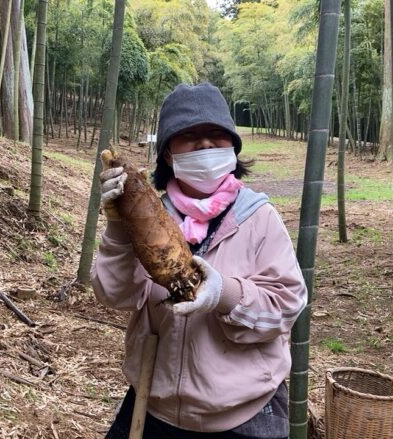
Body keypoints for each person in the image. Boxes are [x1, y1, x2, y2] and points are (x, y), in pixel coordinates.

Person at [91, 83, 307, 438]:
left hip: (243, 415)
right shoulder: (150, 215)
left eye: (216, 135)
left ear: (233, 148)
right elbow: (115, 295)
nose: (205, 144)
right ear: (167, 154)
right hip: (153, 404)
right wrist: (118, 226)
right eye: (189, 135)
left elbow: (287, 306)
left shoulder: (259, 217)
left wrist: (224, 295)